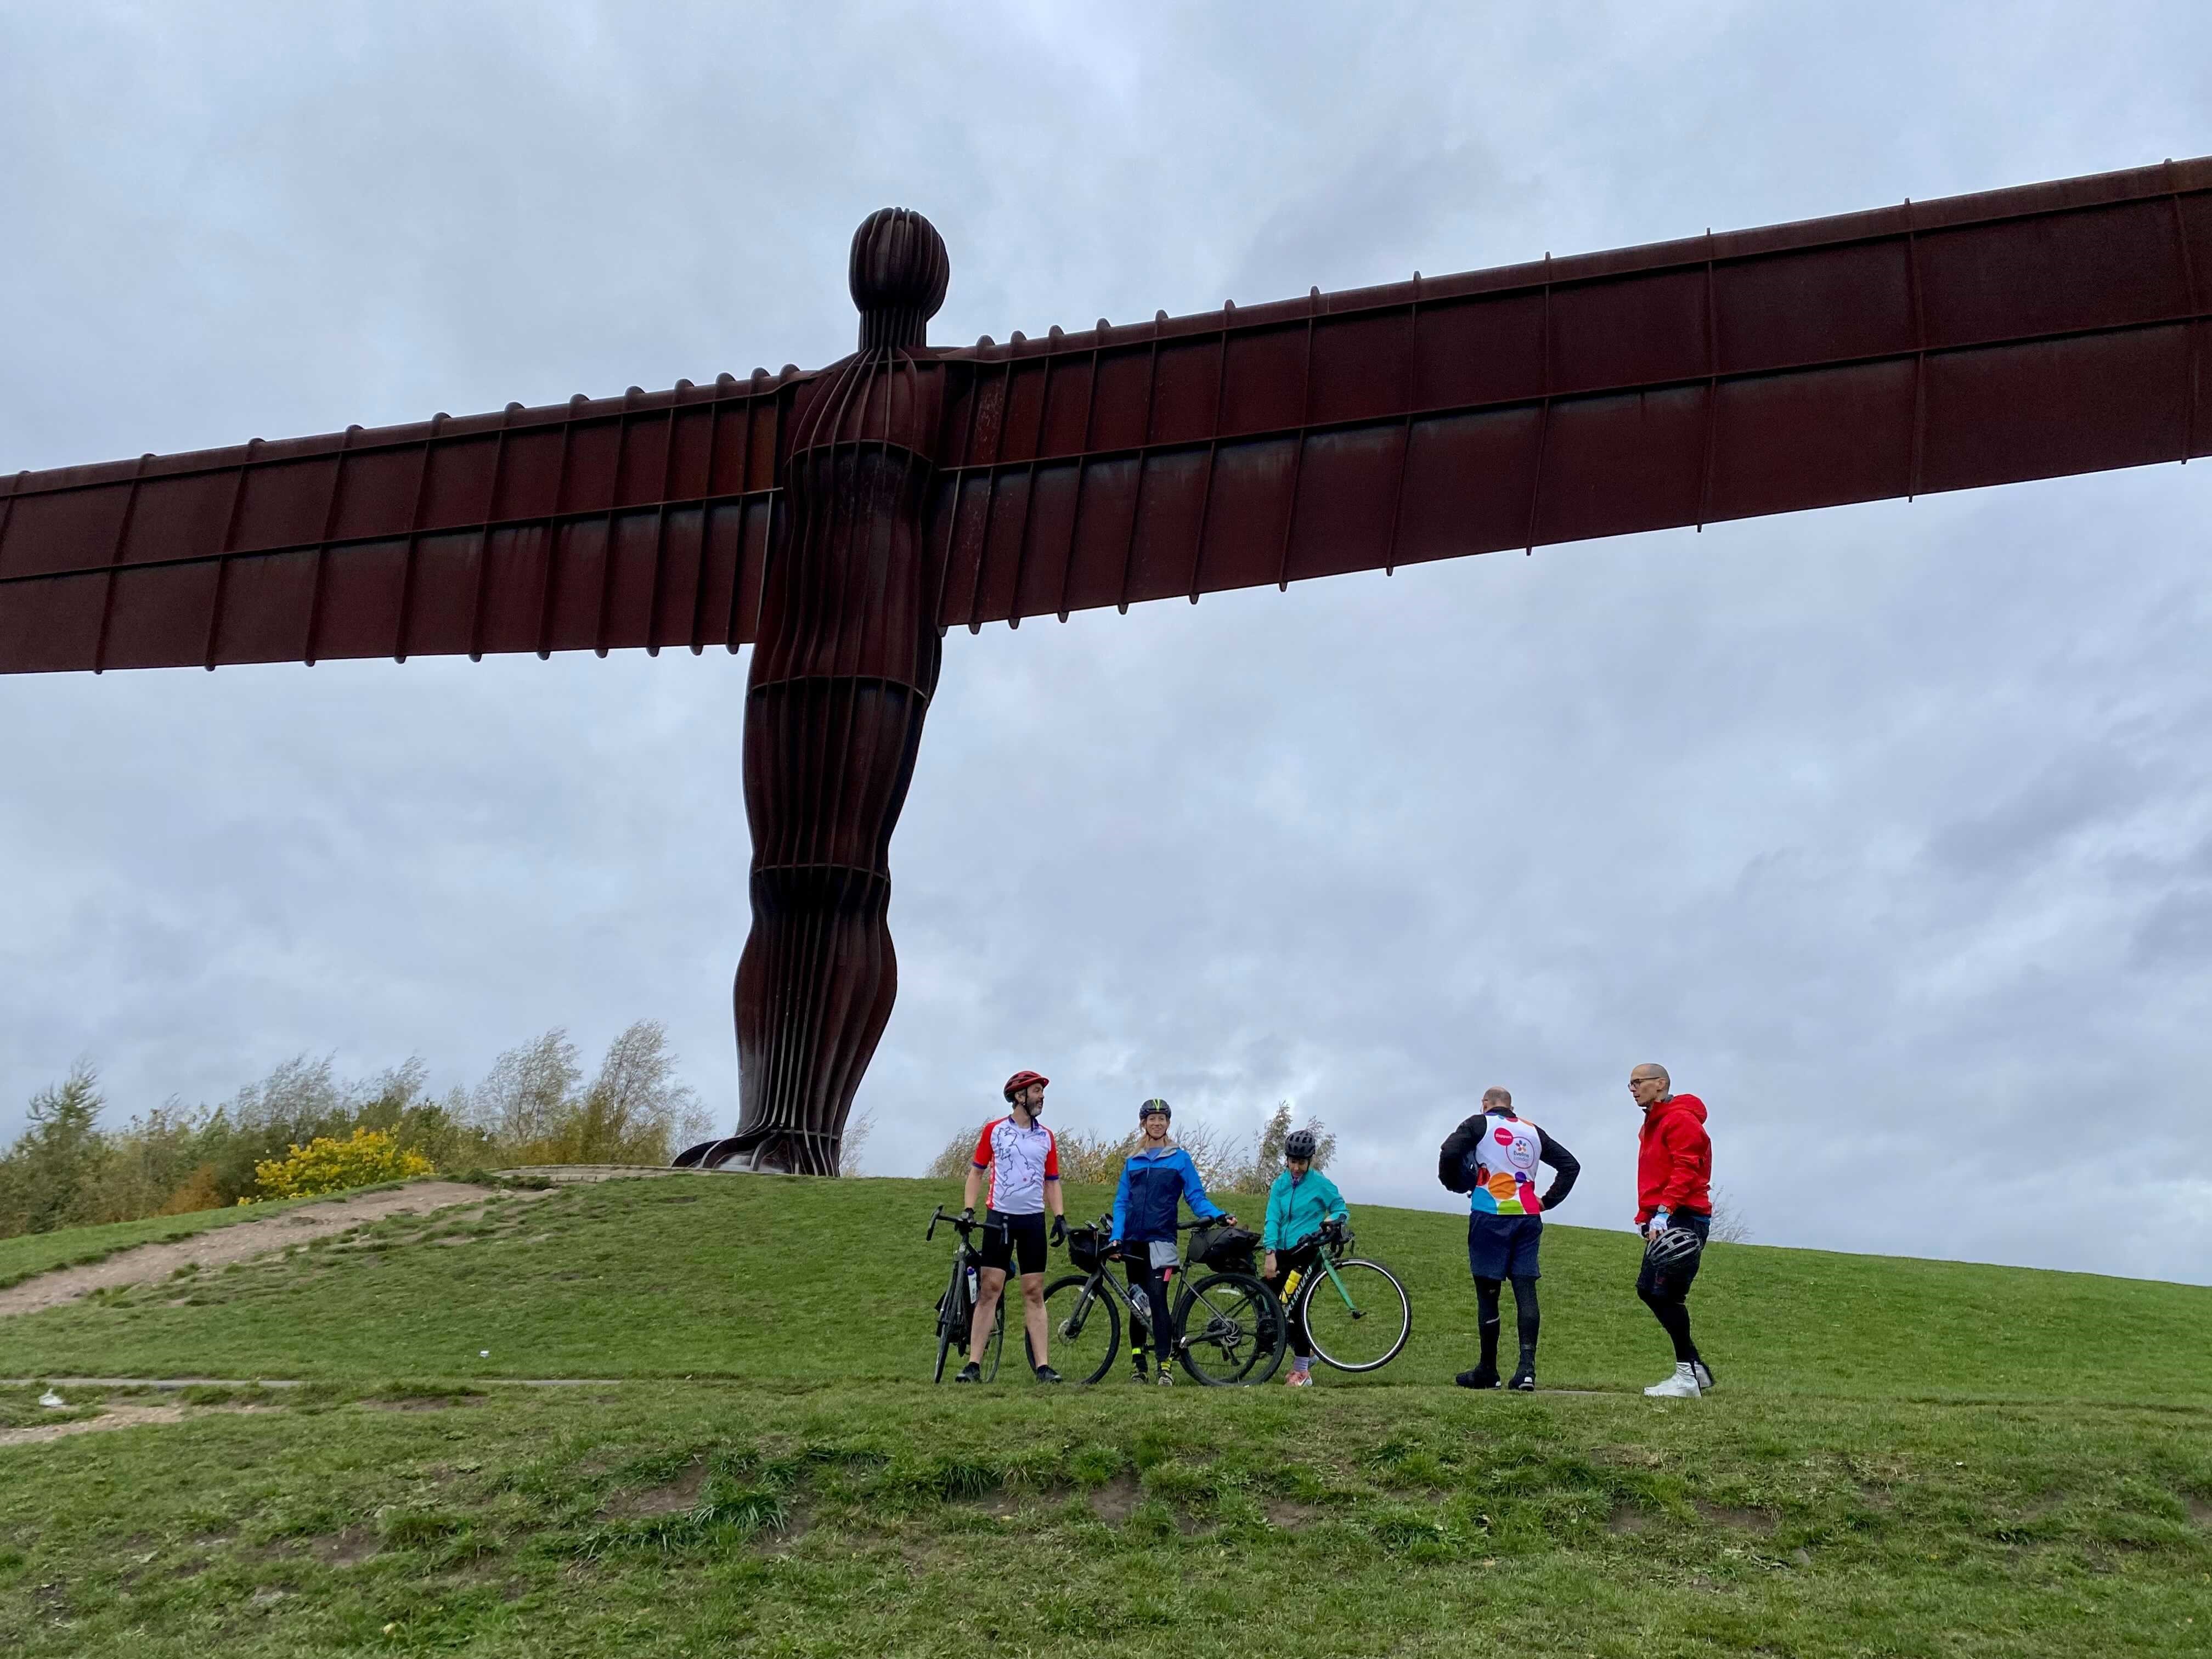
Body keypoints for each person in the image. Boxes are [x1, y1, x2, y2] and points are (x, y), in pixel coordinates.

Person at [1437, 1085, 1579, 1391]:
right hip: (1528, 1217)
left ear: (1484, 1104)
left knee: (1488, 1295)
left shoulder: (1478, 1124)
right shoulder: (1532, 1131)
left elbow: (1449, 1151)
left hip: (1490, 1214)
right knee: (1525, 1290)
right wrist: (1547, 1201)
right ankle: (1526, 1371)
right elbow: (1571, 1166)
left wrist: (1456, 1183)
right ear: (1511, 1107)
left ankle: (1488, 1370)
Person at [953, 1069, 1068, 1384]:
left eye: (1042, 1092)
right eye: (1036, 1092)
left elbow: (1052, 1181)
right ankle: (974, 1364)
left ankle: (1043, 1367)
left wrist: (1059, 1217)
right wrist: (968, 1209)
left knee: (1034, 1292)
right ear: (1020, 1096)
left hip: (1032, 1221)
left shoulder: (1046, 1137)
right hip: (999, 1218)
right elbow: (976, 1173)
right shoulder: (994, 1131)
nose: (1042, 1097)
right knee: (990, 1290)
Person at [1109, 1099, 1235, 1386]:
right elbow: (1121, 1202)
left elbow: (1195, 1196)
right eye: (1151, 1118)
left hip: (1161, 1241)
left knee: (1157, 1299)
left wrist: (1217, 1214)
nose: (1157, 1123)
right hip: (1132, 1242)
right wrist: (1117, 1237)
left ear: (1168, 1123)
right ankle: (1138, 1365)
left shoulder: (1180, 1158)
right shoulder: (1133, 1161)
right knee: (1137, 1305)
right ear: (1143, 1122)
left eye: (1162, 1119)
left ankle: (1164, 1365)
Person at [1629, 1062, 1717, 1398]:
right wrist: (1646, 1214)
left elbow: (1685, 1168)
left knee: (1668, 1295)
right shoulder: (1652, 1123)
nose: (1634, 1089)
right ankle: (1695, 1369)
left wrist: (1664, 1212)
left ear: (1660, 1083)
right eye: (1631, 1084)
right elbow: (1653, 1174)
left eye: (1638, 1082)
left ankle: (1686, 1378)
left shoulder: (1679, 1119)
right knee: (1648, 1290)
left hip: (1683, 1216)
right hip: (1664, 1215)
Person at [1260, 1128, 1349, 1387]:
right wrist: (1270, 1253)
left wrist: (1329, 1224)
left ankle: (1302, 1373)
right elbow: (1273, 1218)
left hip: (1308, 1254)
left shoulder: (1320, 1184)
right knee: (1270, 1300)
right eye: (1292, 1161)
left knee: (1296, 1308)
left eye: (1301, 1162)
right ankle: (1308, 1353)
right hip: (1283, 1252)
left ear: (1310, 1160)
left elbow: (1341, 1209)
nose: (1296, 1167)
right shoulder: (1280, 1184)